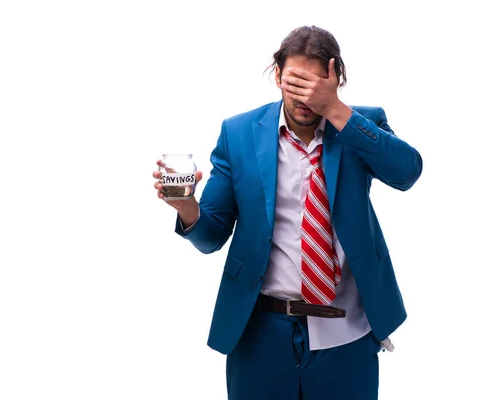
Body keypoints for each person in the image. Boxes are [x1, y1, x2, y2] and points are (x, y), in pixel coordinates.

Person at [153, 25, 423, 400]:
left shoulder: (361, 124)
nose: (303, 97)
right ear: (276, 75)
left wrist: (336, 110)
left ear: (335, 80)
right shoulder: (240, 133)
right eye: (295, 82)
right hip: (260, 333)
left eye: (315, 86)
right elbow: (211, 234)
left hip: (347, 333)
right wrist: (186, 208)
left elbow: (407, 172)